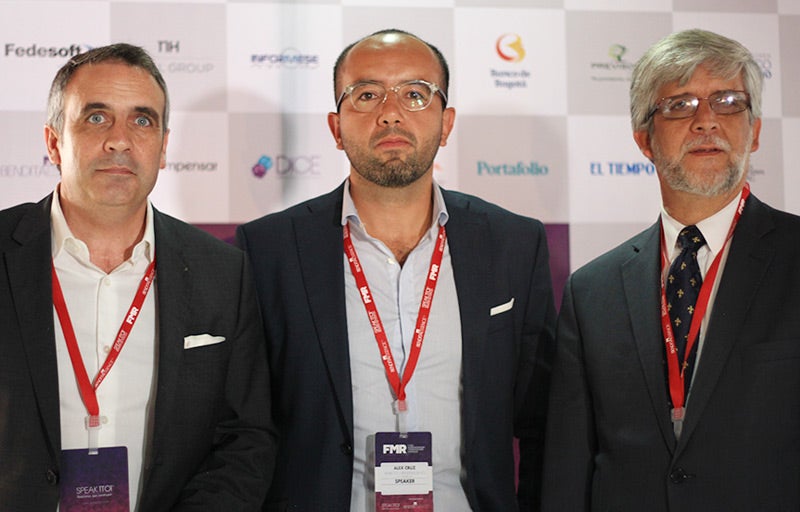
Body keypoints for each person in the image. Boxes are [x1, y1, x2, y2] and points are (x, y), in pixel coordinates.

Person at [237, 29, 556, 511]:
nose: (390, 112)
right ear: (336, 128)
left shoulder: (513, 244)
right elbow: (245, 429)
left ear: (446, 123)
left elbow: (542, 423)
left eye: (415, 94)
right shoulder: (268, 251)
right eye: (366, 95)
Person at [0, 43, 276, 511]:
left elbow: (244, 438)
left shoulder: (224, 272)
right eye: (96, 118)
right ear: (53, 142)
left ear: (164, 148)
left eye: (142, 121)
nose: (120, 141)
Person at [542, 28, 800, 511]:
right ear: (645, 139)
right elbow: (567, 471)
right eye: (680, 105)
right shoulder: (592, 291)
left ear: (756, 131)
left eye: (727, 102)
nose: (706, 121)